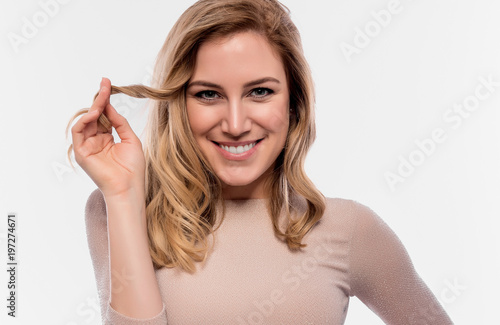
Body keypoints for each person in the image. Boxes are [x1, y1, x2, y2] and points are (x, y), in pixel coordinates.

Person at [68, 0, 454, 324]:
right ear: (179, 105)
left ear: (294, 102)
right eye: (208, 95)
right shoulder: (116, 208)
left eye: (260, 91)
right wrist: (123, 195)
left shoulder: (351, 230)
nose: (235, 124)